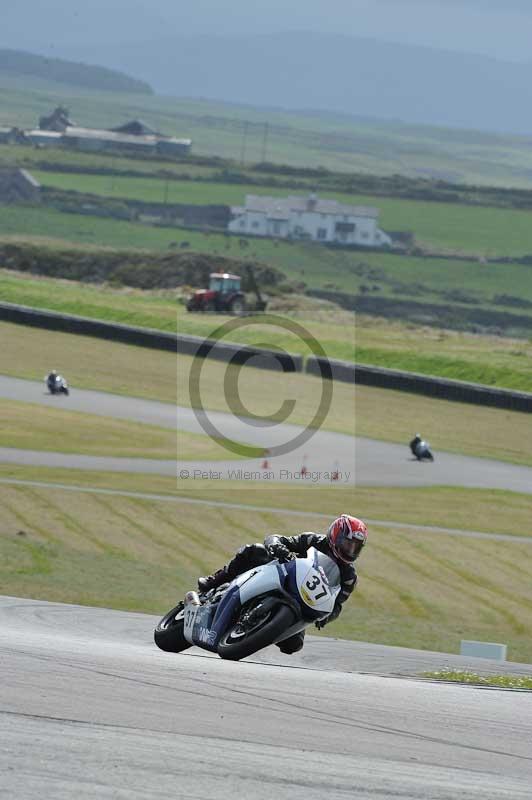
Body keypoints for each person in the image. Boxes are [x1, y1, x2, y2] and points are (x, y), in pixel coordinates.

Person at [198, 514, 368, 654]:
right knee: (254, 551)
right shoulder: (314, 540)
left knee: (293, 645)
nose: (350, 550)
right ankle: (215, 580)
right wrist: (277, 547)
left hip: (303, 604)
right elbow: (278, 539)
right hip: (281, 575)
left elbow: (337, 605)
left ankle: (256, 630)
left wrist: (326, 618)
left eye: (356, 547)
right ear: (335, 536)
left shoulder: (349, 577)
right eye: (348, 543)